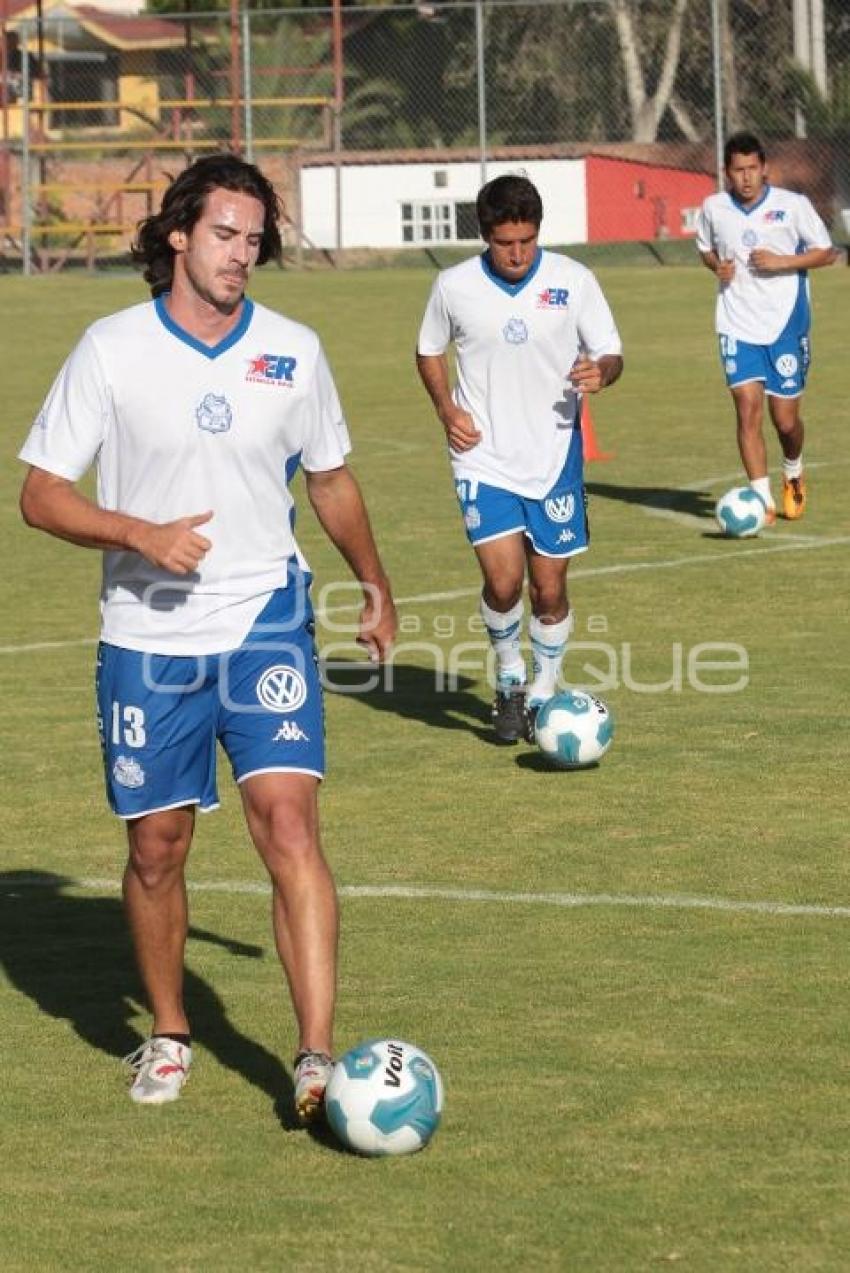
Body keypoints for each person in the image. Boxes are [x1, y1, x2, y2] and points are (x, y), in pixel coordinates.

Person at [18, 154, 396, 1120]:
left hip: (268, 619)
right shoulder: (110, 348)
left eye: (255, 238)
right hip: (147, 638)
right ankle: (172, 1031)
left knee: (290, 825)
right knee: (157, 847)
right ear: (179, 233)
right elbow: (40, 494)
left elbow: (331, 478)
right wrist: (136, 532)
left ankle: (316, 1055)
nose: (242, 253)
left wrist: (375, 582)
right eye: (226, 233)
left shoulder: (295, 349)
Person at [415, 174, 623, 743]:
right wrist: (445, 410)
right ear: (485, 235)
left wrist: (600, 372)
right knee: (504, 582)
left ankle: (542, 691)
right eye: (506, 242)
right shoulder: (453, 286)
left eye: (527, 241)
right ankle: (509, 677)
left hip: (554, 456)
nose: (518, 253)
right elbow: (429, 350)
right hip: (482, 456)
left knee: (550, 589)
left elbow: (610, 351)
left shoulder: (573, 281)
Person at [695, 131, 834, 522]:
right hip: (736, 323)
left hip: (786, 325)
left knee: (785, 421)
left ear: (765, 168)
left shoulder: (793, 206)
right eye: (738, 170)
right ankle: (762, 501)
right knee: (747, 409)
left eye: (753, 169)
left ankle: (793, 471)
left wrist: (783, 262)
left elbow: (828, 253)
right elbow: (705, 248)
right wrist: (716, 266)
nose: (746, 177)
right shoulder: (713, 208)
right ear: (726, 172)